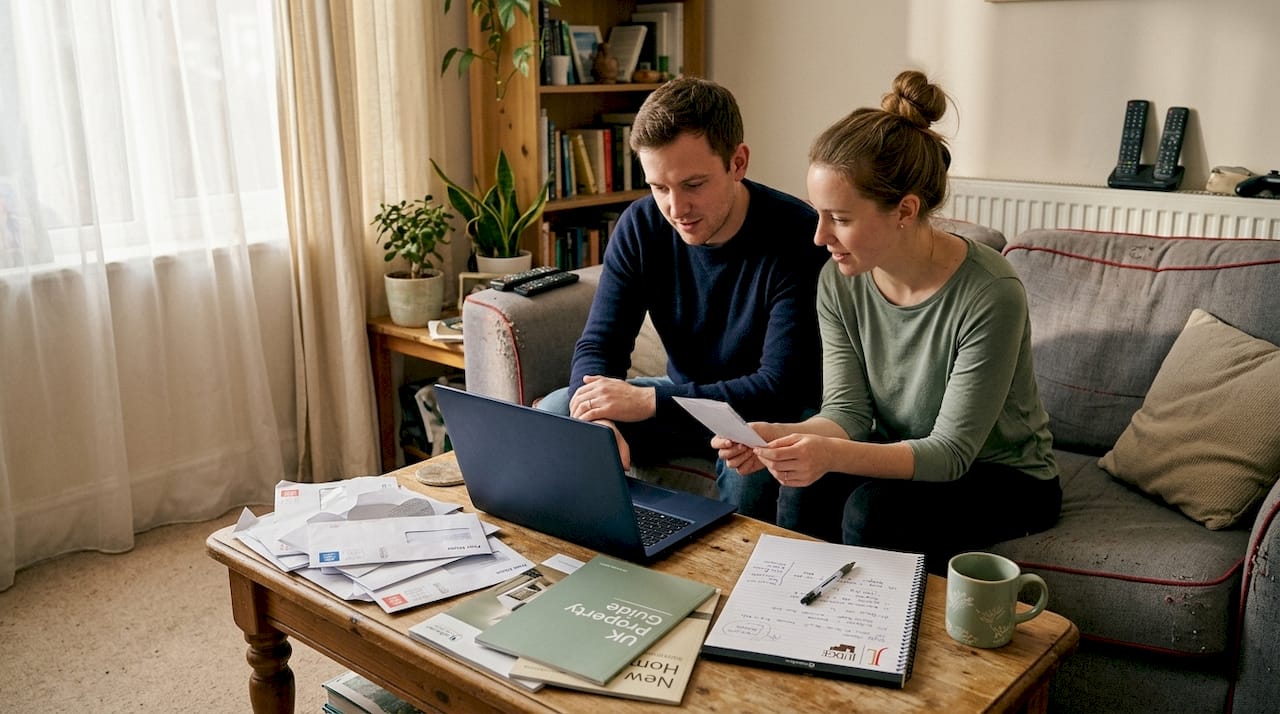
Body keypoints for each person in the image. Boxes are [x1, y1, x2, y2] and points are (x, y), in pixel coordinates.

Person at [714, 70, 1061, 570]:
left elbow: (950, 453)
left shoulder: (991, 292)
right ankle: (785, 629)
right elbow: (849, 412)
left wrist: (829, 456)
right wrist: (777, 435)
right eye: (818, 213)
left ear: (904, 210)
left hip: (1005, 476)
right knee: (799, 491)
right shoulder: (839, 280)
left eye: (841, 218)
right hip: (906, 451)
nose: (819, 236)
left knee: (872, 511)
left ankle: (877, 641)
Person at [537, 77, 828, 521]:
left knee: (751, 469)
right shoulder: (641, 225)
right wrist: (600, 421)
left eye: (694, 185)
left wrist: (650, 403)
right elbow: (600, 345)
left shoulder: (797, 237)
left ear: (738, 162)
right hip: (684, 402)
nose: (676, 208)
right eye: (659, 187)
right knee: (563, 410)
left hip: (762, 411)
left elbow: (779, 386)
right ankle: (614, 557)